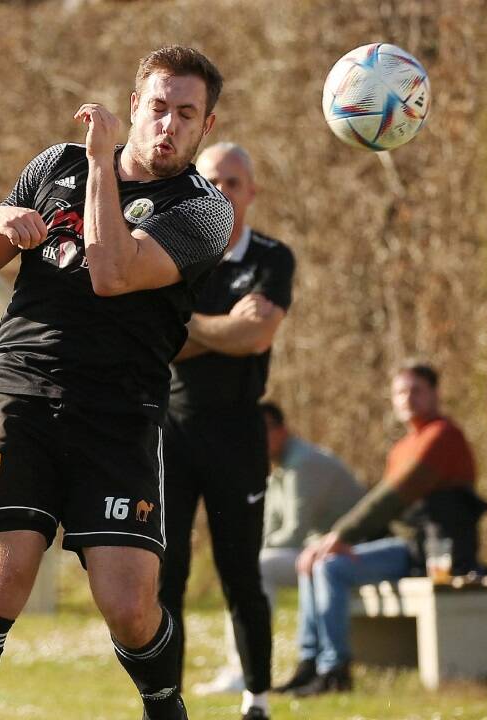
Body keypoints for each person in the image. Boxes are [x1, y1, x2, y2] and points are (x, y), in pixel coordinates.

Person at [0, 46, 232, 720]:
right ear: (135, 106)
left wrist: (102, 163)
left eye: (186, 114)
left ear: (205, 127)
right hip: (25, 394)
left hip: (121, 413)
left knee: (128, 608)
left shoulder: (204, 212)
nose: (168, 125)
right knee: (0, 580)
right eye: (158, 108)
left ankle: (165, 706)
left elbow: (112, 272)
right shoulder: (52, 167)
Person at [157, 142, 295, 720]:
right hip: (169, 431)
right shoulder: (171, 254)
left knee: (241, 573)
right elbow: (162, 338)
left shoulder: (271, 257)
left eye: (233, 183)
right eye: (211, 180)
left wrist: (189, 326)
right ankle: (163, 702)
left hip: (238, 433)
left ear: (251, 192)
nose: (221, 192)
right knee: (166, 579)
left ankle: (257, 699)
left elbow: (255, 337)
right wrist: (217, 327)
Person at [277, 362, 487, 696]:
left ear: (435, 394)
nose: (408, 398)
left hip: (439, 552)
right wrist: (333, 543)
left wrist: (339, 537)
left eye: (416, 390)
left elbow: (388, 500)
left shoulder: (442, 436)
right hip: (405, 548)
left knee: (330, 566)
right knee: (312, 562)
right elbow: (386, 510)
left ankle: (335, 670)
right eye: (401, 391)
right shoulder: (402, 447)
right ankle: (308, 663)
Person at [196, 401, 364, 695]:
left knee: (258, 568)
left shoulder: (305, 464)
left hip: (351, 554)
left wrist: (249, 554)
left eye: (261, 431)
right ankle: (241, 667)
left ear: (282, 430)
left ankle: (245, 669)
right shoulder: (278, 469)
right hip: (316, 553)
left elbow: (293, 535)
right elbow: (269, 532)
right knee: (248, 565)